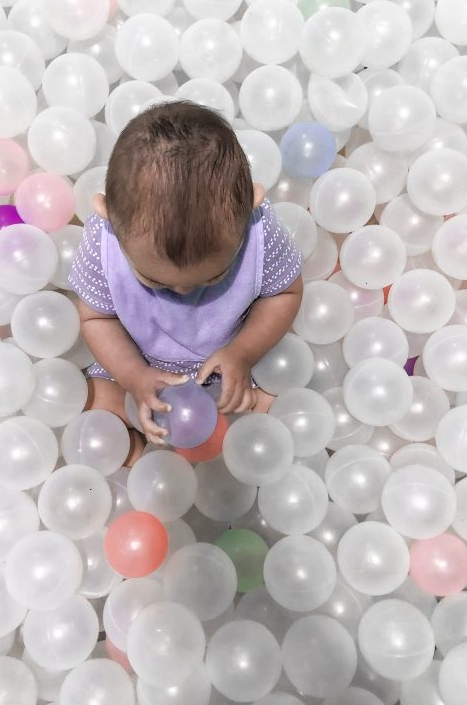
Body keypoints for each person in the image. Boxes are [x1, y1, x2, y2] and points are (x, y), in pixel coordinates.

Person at [68, 100, 303, 459]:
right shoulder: (104, 242)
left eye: (213, 276)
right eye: (155, 280)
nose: (184, 291)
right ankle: (144, 459)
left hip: (229, 365)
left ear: (252, 205)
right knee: (94, 404)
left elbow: (284, 294)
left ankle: (217, 456)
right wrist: (133, 378)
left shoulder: (259, 229)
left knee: (280, 412)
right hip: (140, 361)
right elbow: (96, 318)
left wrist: (242, 353)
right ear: (107, 214)